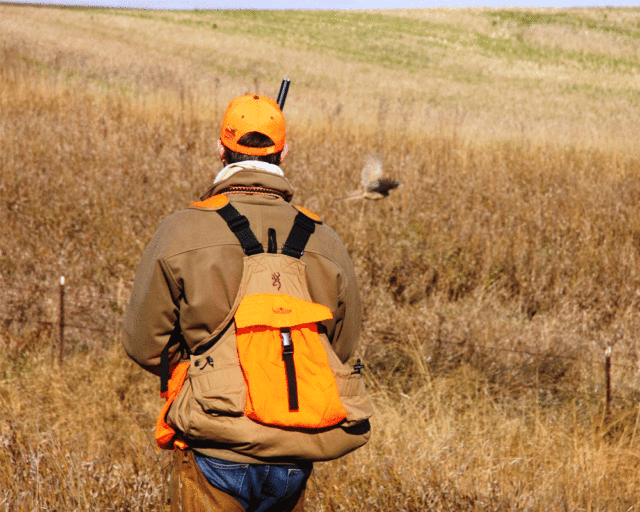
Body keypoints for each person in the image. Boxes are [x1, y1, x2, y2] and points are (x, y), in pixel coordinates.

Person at [121, 92, 371, 512]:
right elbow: (340, 349)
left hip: (215, 446)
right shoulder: (325, 239)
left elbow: (143, 343)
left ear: (220, 148)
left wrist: (201, 375)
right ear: (284, 151)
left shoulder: (182, 230)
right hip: (296, 452)